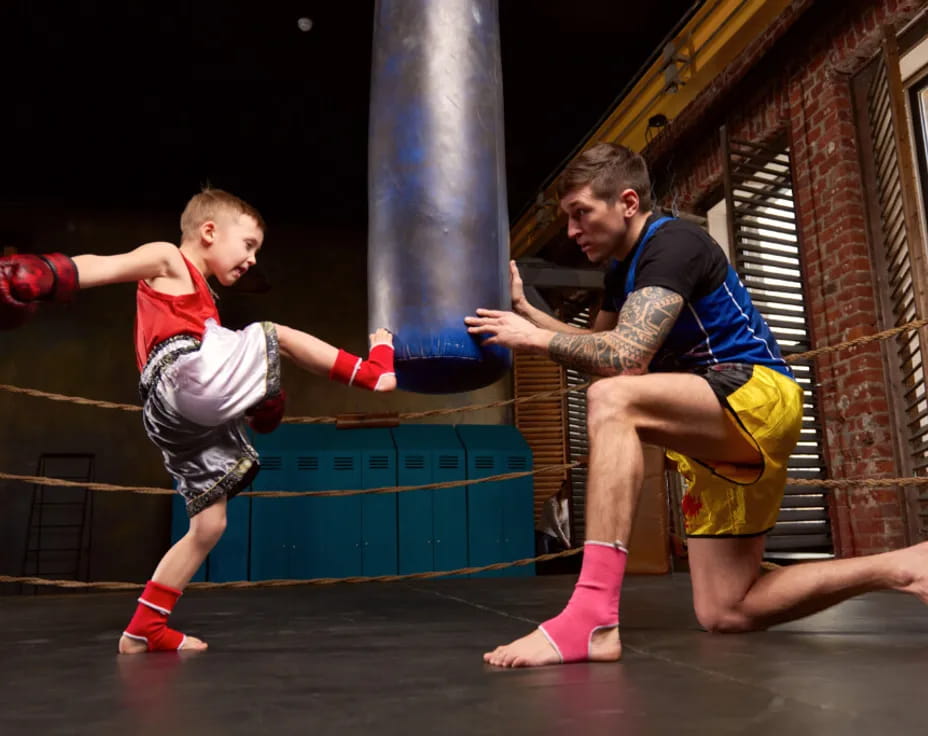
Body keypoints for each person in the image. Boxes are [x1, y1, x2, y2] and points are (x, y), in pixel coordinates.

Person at [465, 142, 928, 668]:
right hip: (714, 426)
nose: (571, 231)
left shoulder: (674, 244)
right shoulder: (623, 273)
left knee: (613, 399)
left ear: (629, 202)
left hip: (756, 395)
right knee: (727, 608)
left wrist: (532, 339)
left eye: (581, 213)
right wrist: (527, 313)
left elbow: (624, 359)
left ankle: (591, 616)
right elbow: (597, 352)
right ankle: (907, 566)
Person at [0, 188, 397, 654]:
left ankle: (143, 628)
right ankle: (375, 374)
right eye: (248, 245)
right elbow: (101, 264)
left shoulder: (206, 301)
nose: (252, 260)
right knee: (273, 335)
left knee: (209, 525)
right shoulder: (169, 258)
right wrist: (43, 274)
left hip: (175, 414)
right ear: (209, 232)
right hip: (180, 380)